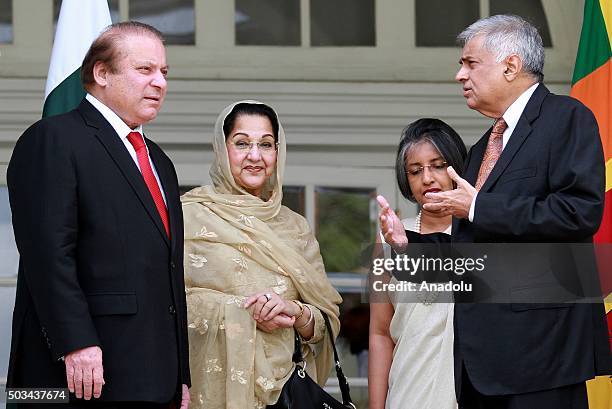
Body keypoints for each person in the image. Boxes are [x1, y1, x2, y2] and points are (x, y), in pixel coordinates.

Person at [380, 14, 610, 409]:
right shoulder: (483, 146)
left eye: (470, 63)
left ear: (510, 65)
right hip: (480, 366)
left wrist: (479, 206)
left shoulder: (566, 119)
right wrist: (409, 246)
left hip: (542, 354)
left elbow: (579, 212)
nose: (459, 75)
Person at [6, 22, 190, 408]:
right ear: (101, 73)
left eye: (164, 73)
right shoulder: (51, 139)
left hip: (153, 379)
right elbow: (48, 256)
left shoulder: (159, 161)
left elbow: (168, 276)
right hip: (73, 374)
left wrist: (180, 376)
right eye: (145, 70)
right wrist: (75, 343)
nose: (159, 83)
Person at [181, 100, 342, 409]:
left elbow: (325, 321)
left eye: (266, 145)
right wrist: (243, 311)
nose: (255, 156)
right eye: (242, 143)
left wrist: (294, 313)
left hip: (283, 395)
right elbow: (164, 307)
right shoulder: (187, 216)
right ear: (221, 149)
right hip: (206, 394)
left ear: (277, 153)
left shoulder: (296, 228)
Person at [370, 118, 466, 409]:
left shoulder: (484, 234)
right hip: (409, 390)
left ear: (457, 169)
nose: (427, 178)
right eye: (415, 170)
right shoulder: (385, 241)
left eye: (438, 166)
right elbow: (380, 332)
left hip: (471, 392)